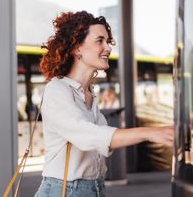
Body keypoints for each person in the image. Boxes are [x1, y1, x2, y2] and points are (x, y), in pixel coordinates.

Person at [35, 11, 174, 197]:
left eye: (108, 41)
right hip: (64, 190)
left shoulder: (89, 93)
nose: (108, 48)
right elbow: (90, 135)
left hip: (94, 188)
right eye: (99, 41)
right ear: (77, 48)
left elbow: (102, 143)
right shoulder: (57, 90)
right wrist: (149, 132)